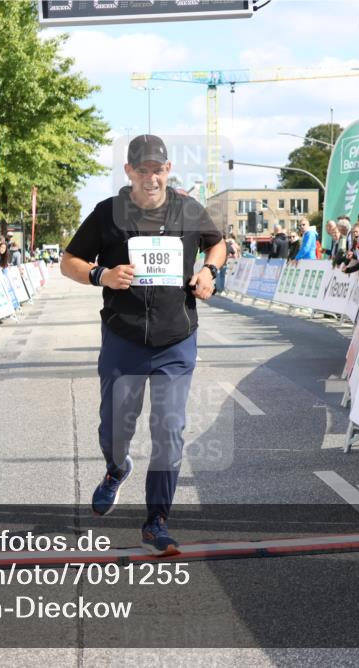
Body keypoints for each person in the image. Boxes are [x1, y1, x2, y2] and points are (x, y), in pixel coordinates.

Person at [60, 134, 225, 556]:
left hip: (176, 338)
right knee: (115, 429)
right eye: (143, 169)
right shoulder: (106, 214)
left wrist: (209, 272)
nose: (151, 177)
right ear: (129, 171)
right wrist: (102, 276)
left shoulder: (188, 209)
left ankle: (157, 522)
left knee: (169, 430)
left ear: (168, 170)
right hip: (123, 336)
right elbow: (69, 261)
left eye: (159, 169)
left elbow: (218, 244)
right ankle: (116, 469)